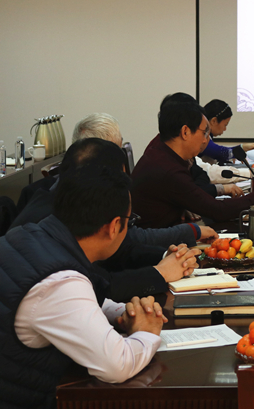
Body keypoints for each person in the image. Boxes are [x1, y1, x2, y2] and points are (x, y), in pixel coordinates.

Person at [0, 165, 165, 408]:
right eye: (130, 220)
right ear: (114, 226)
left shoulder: (31, 235)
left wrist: (121, 312)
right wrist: (147, 331)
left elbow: (73, 303)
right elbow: (116, 366)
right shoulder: (60, 282)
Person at [11, 138, 200, 302]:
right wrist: (161, 273)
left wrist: (167, 257)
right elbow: (100, 285)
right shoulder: (48, 219)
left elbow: (120, 249)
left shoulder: (70, 200)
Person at [131, 94, 254, 228]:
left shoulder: (164, 150)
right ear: (185, 132)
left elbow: (200, 178)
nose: (206, 140)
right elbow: (217, 210)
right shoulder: (167, 168)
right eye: (204, 133)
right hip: (160, 244)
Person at [199, 99, 254, 164]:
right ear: (214, 121)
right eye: (225, 125)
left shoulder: (206, 135)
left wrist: (240, 148)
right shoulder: (201, 136)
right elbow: (219, 152)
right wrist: (241, 148)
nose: (225, 129)